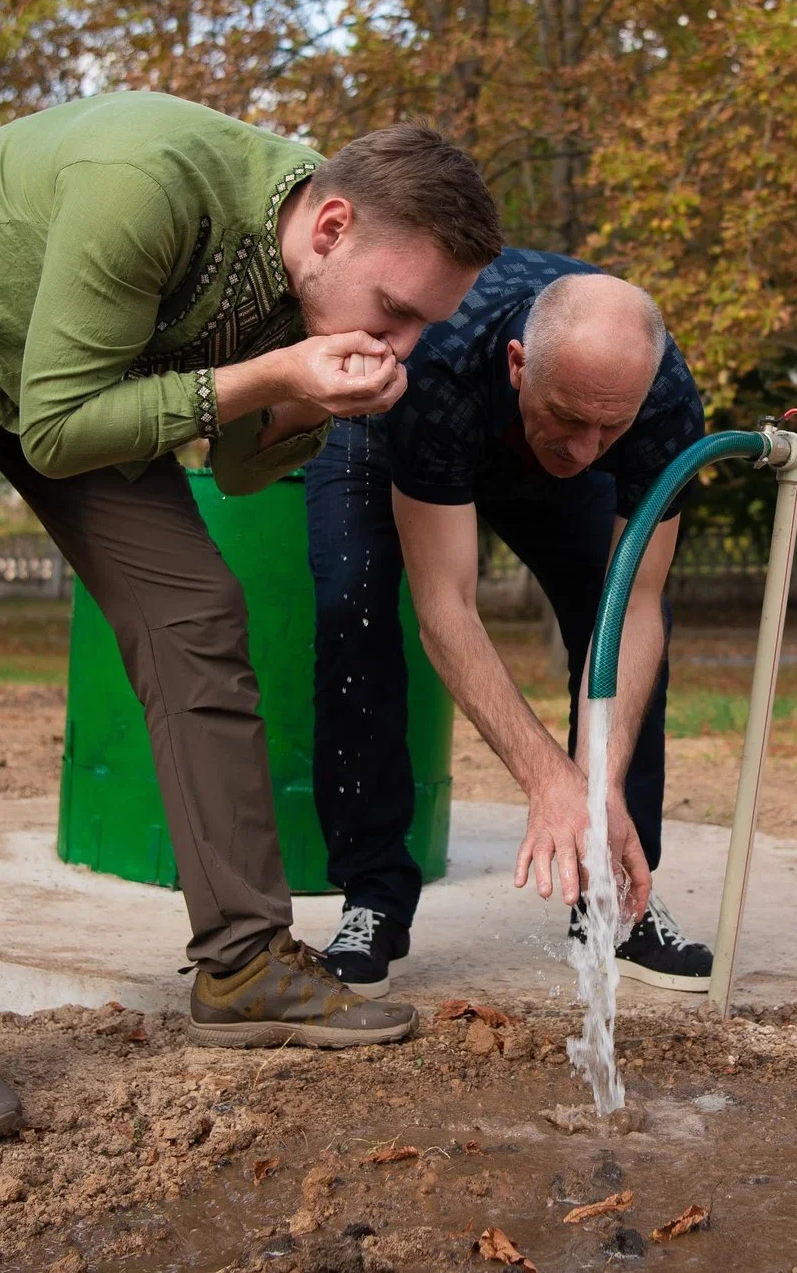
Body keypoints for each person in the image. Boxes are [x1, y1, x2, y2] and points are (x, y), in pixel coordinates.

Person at [0, 92, 501, 1149]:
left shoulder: (310, 275)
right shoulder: (150, 189)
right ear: (330, 228)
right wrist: (274, 371)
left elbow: (233, 454)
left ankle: (243, 961)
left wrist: (310, 399)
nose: (401, 339)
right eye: (395, 308)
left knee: (195, 612)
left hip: (69, 365)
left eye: (418, 327)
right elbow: (54, 427)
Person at [305, 250, 713, 996]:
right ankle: (374, 898)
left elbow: (639, 602)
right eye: (571, 417)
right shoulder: (441, 363)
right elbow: (446, 607)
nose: (588, 448)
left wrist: (596, 787)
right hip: (395, 425)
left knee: (613, 608)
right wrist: (547, 780)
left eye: (608, 426)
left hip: (531, 438)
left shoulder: (663, 405)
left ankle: (614, 895)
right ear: (521, 362)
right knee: (352, 606)